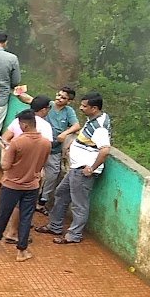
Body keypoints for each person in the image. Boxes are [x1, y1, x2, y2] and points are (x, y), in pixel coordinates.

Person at [39, 92, 112, 245]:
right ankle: (55, 225)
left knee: (79, 204)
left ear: (94, 108)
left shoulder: (99, 128)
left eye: (84, 106)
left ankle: (74, 235)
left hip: (82, 171)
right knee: (61, 193)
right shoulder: (94, 119)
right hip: (76, 168)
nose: (81, 108)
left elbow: (105, 150)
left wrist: (91, 168)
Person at [0, 109, 51, 261]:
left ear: (24, 125)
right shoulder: (46, 143)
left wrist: (3, 149)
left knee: (3, 214)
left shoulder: (17, 142)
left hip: (11, 185)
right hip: (32, 186)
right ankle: (22, 251)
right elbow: (42, 163)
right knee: (26, 217)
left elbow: (5, 166)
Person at [40, 86, 80, 212]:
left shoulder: (68, 111)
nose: (59, 99)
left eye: (63, 98)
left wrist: (65, 133)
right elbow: (30, 101)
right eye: (58, 95)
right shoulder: (49, 105)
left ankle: (43, 200)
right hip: (40, 146)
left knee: (52, 175)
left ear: (68, 101)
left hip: (55, 149)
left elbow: (76, 125)